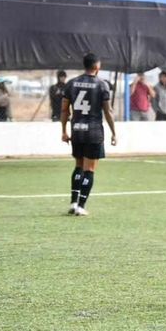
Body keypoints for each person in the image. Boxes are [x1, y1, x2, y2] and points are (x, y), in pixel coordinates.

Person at [61, 53, 117, 216]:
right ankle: (81, 206)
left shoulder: (71, 84)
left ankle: (73, 202)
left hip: (77, 130)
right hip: (93, 132)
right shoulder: (101, 85)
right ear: (97, 67)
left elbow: (64, 110)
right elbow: (108, 111)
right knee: (90, 170)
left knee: (79, 165)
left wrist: (64, 131)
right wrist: (113, 132)